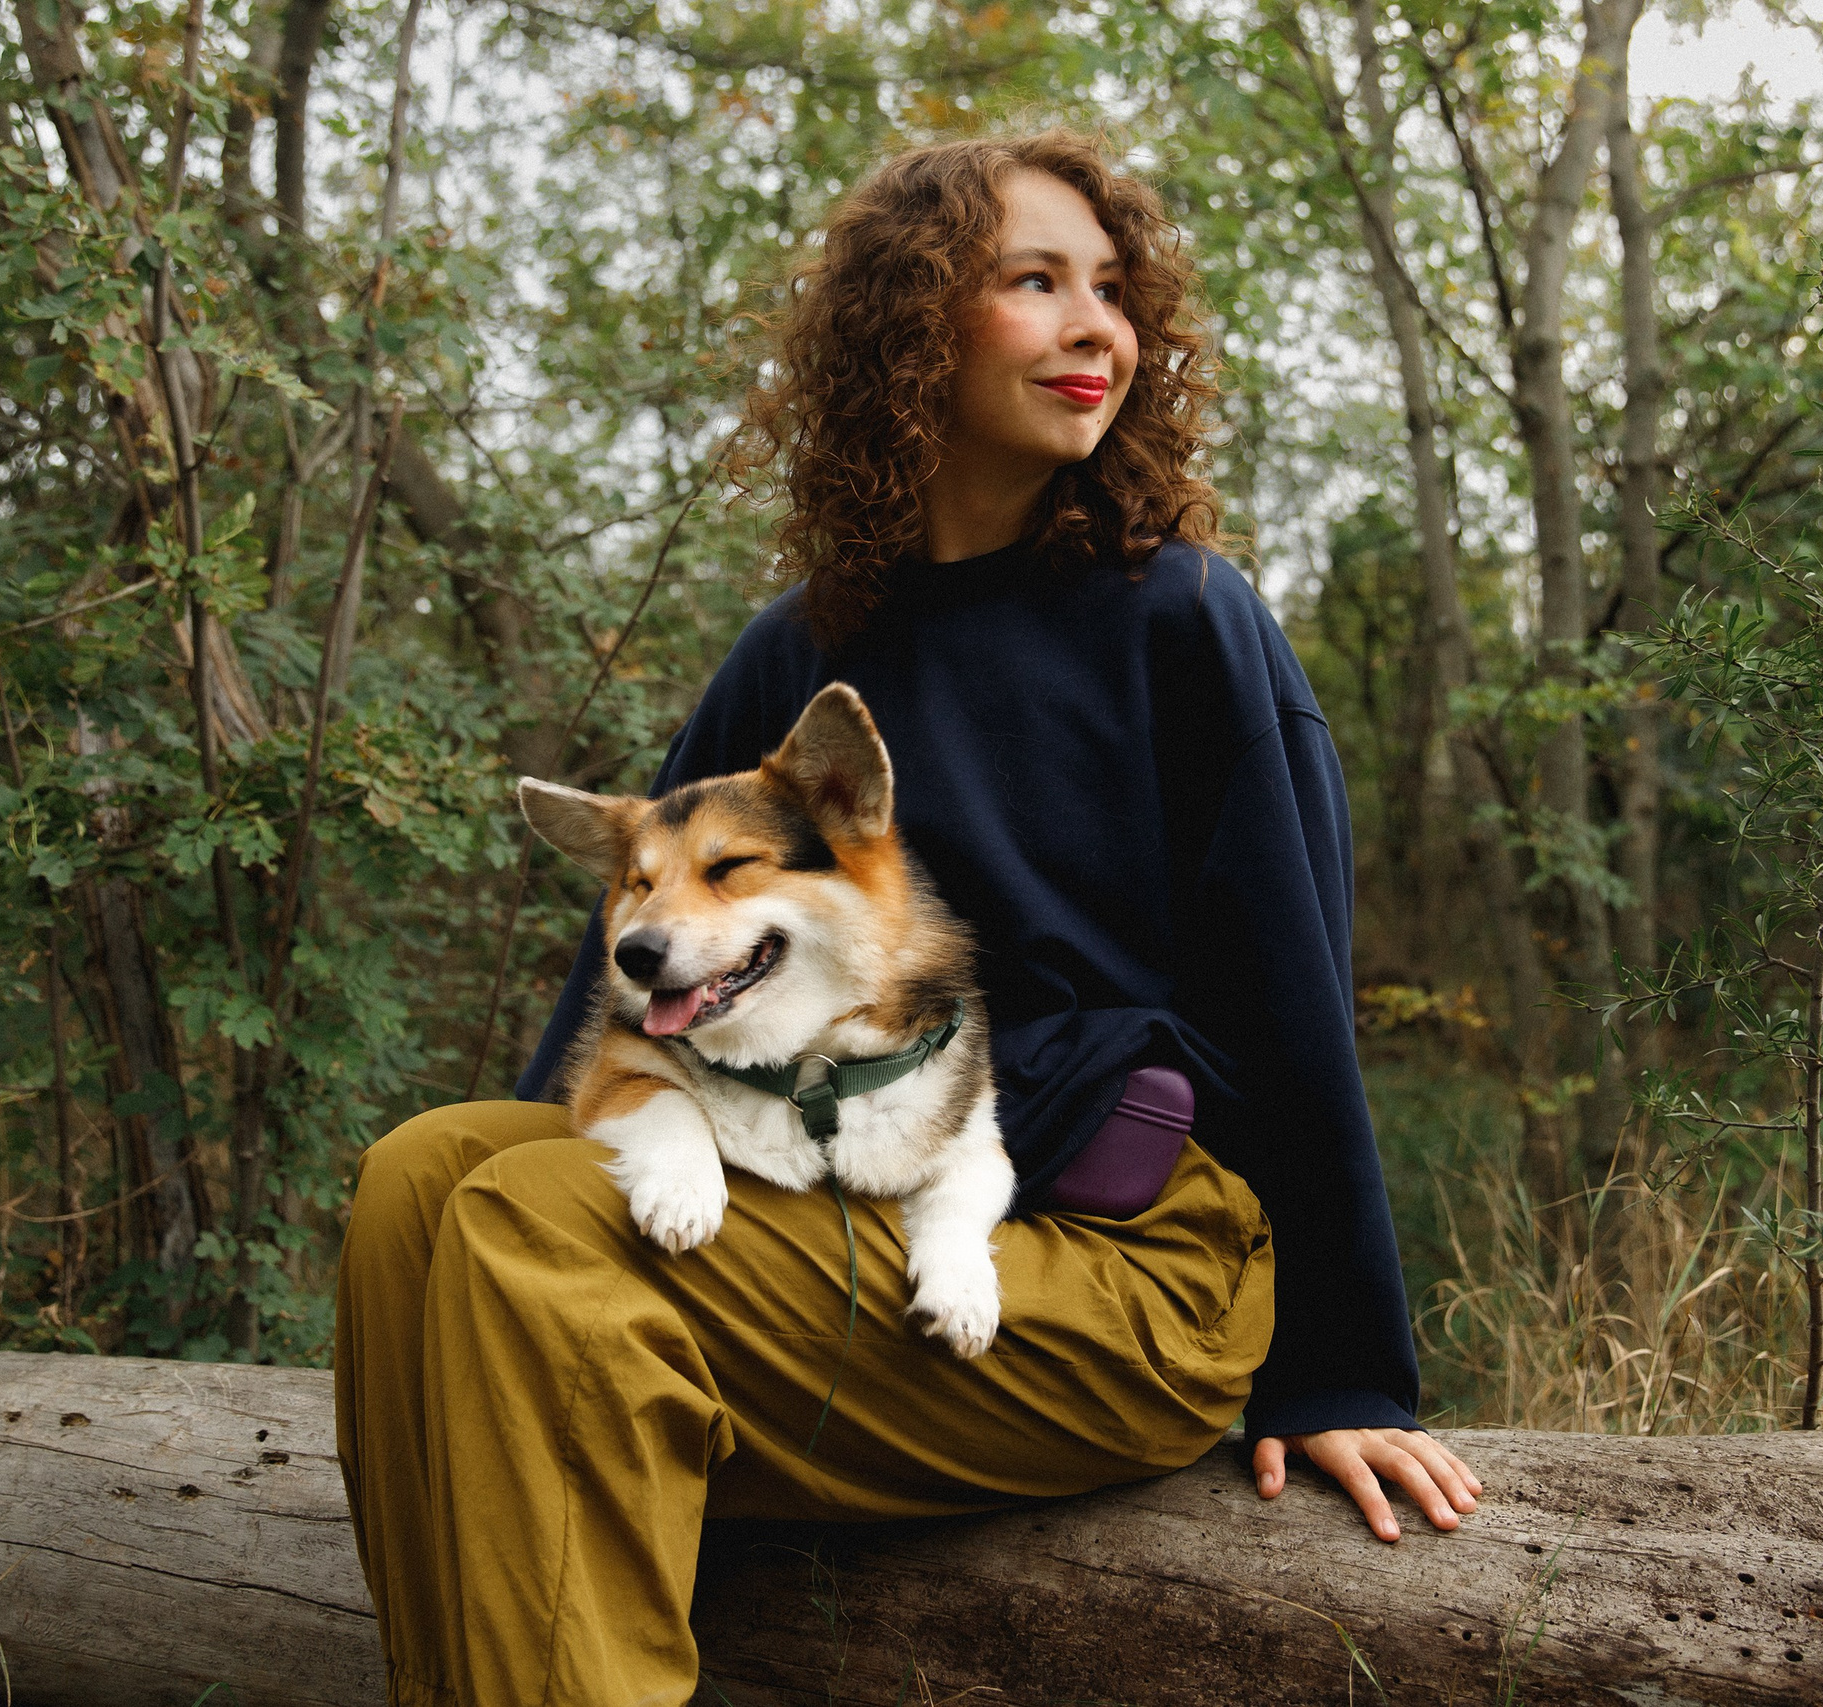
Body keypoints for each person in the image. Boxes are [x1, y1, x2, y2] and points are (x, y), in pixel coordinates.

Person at [334, 126, 1482, 1707]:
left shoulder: (1184, 619)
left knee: (528, 1232)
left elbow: (1293, 1006)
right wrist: (566, 1142)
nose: (1096, 327)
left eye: (1112, 288)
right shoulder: (801, 651)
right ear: (915, 331)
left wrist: (1341, 1374)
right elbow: (636, 975)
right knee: (424, 1181)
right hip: (831, 1202)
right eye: (1036, 282)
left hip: (1120, 1266)